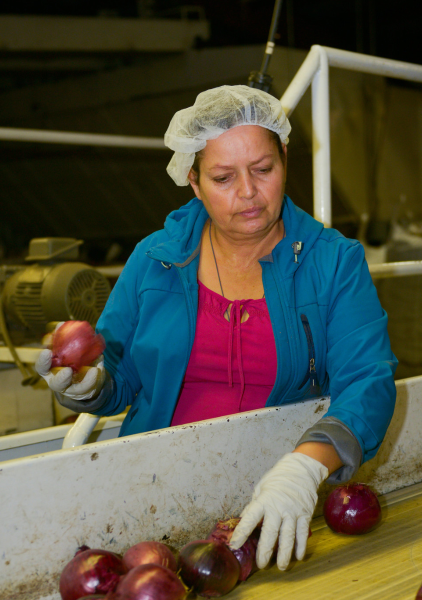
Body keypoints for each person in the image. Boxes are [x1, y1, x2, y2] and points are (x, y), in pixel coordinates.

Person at [36, 85, 397, 571]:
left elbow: (369, 380)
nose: (248, 193)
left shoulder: (333, 263)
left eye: (263, 169)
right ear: (193, 179)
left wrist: (305, 468)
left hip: (270, 498)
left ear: (285, 157)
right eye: (224, 177)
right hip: (152, 493)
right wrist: (87, 384)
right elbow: (120, 379)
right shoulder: (155, 260)